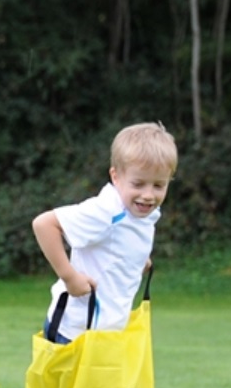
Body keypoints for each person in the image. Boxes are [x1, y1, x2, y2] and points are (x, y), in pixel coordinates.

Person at [33, 122, 178, 344]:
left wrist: (137, 258)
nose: (148, 195)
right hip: (75, 332)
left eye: (158, 186)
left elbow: (122, 240)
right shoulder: (106, 211)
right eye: (138, 184)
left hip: (108, 333)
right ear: (116, 176)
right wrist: (70, 277)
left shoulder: (146, 212)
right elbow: (44, 225)